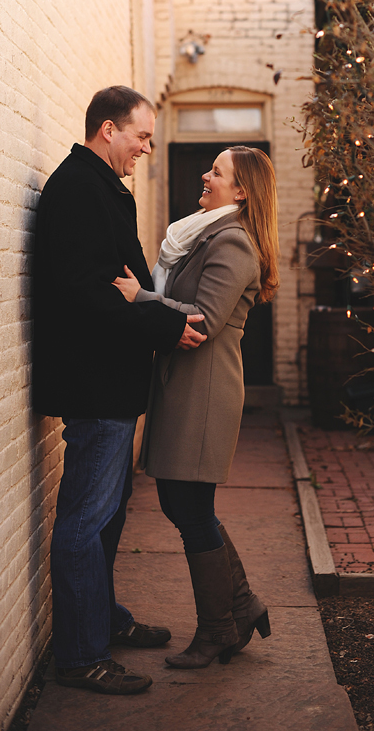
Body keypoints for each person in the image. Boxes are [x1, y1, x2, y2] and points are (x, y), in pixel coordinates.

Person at [31, 86, 207, 695]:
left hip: (110, 381)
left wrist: (151, 306)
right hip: (93, 383)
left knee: (105, 520)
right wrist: (164, 324)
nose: (147, 148)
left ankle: (103, 621)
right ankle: (80, 657)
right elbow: (88, 293)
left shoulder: (102, 187)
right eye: (142, 136)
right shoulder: (80, 190)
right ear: (108, 129)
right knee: (85, 520)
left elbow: (131, 280)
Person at [112, 145, 279, 669]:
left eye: (217, 171)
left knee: (189, 508)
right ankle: (241, 607)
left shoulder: (232, 244)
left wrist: (140, 299)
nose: (205, 176)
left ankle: (218, 631)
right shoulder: (205, 233)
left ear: (241, 190)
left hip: (205, 394)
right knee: (187, 507)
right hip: (186, 387)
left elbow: (203, 319)